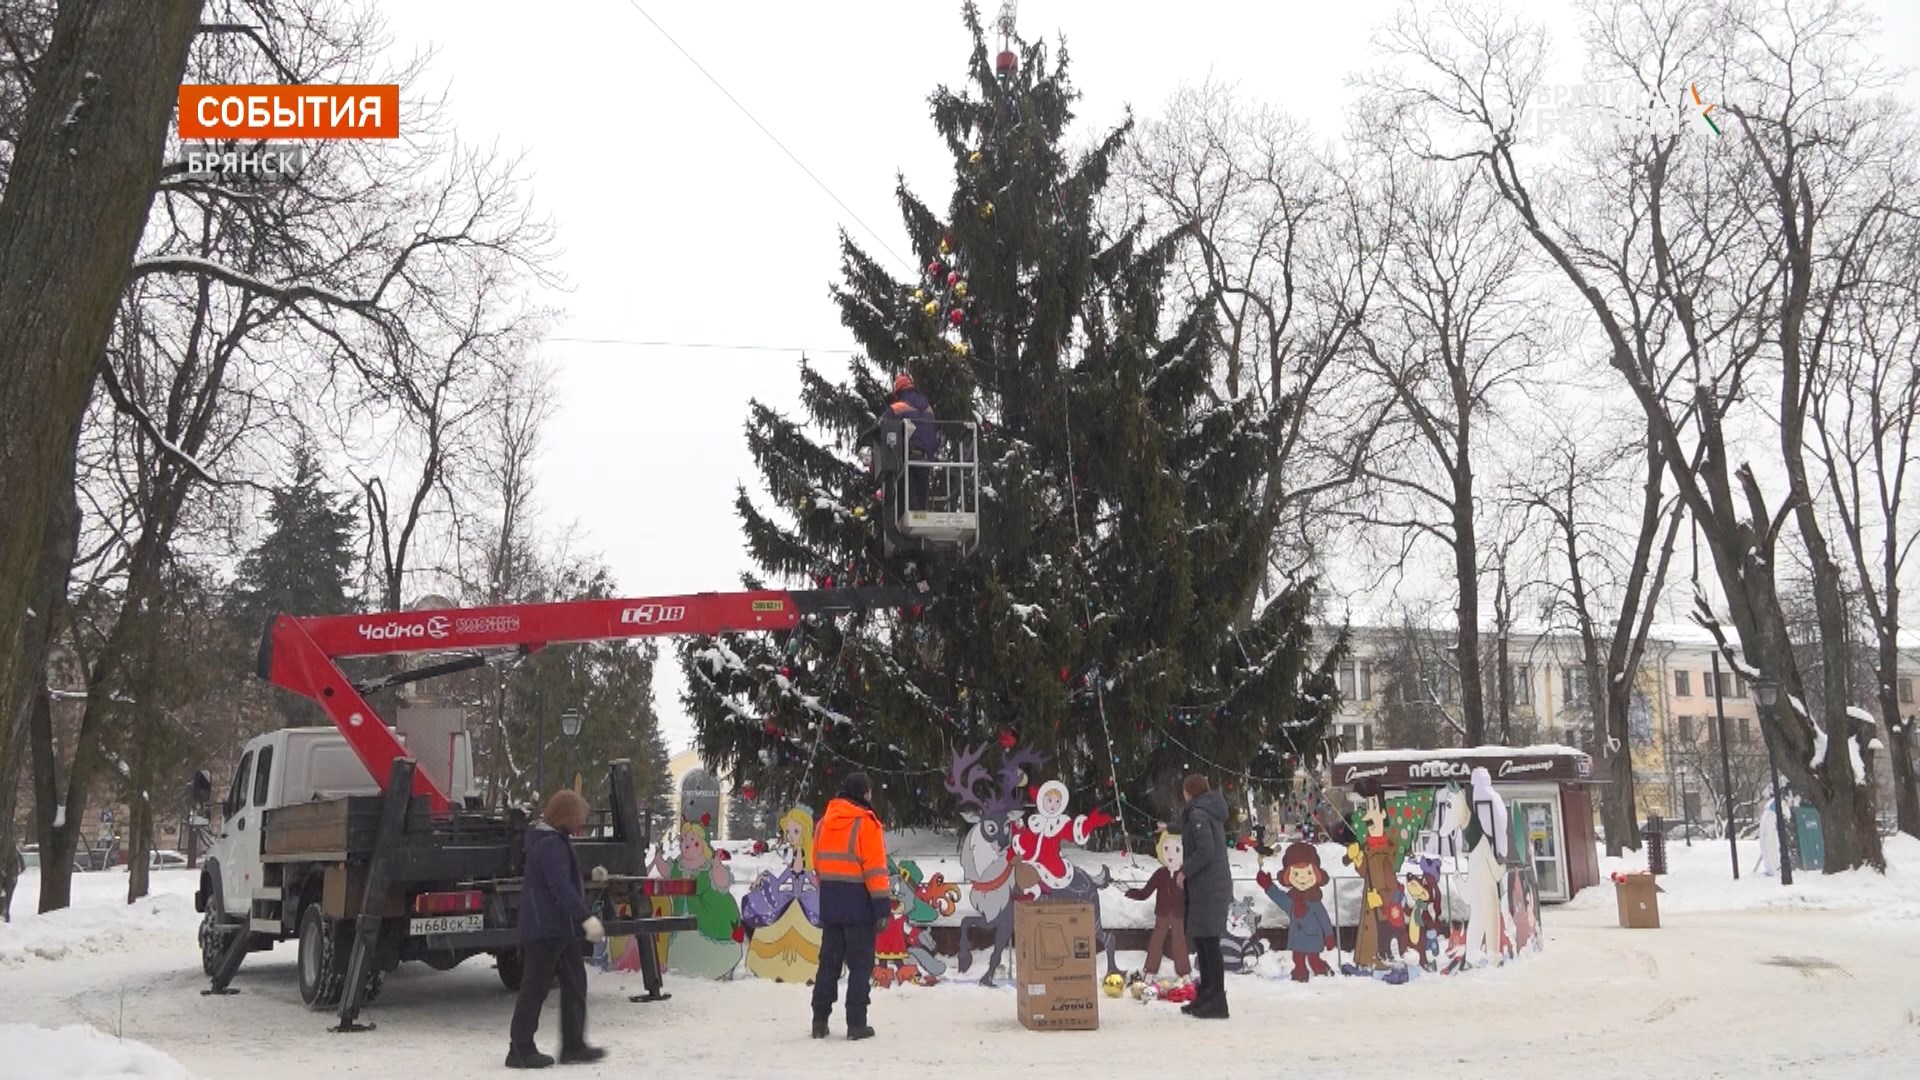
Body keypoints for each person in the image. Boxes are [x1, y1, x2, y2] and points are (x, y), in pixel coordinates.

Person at [508, 790, 607, 1070]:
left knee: (575, 983)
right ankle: (519, 1049)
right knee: (535, 988)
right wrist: (587, 918)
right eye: (580, 817)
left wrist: (589, 875)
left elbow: (562, 876)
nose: (582, 822)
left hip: (558, 928)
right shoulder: (550, 844)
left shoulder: (553, 840)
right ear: (567, 815)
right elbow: (560, 887)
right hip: (544, 929)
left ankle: (573, 1045)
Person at [810, 772, 891, 1041]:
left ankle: (819, 1020)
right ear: (864, 793)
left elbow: (817, 864)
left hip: (831, 902)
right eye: (869, 791)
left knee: (829, 963)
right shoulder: (867, 824)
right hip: (859, 905)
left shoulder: (823, 823)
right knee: (860, 965)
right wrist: (881, 908)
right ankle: (856, 1024)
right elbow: (876, 870)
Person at [1174, 773, 1231, 1019]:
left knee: (1208, 943)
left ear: (1190, 791)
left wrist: (1184, 871)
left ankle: (1217, 999)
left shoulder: (1198, 813)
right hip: (1209, 886)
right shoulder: (1205, 811)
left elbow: (1205, 850)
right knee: (1203, 941)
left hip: (1208, 886)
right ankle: (1206, 995)